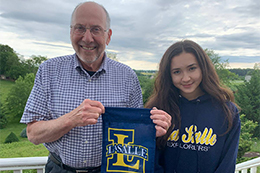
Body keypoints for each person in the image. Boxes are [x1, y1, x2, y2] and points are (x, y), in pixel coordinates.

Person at [20, 1, 171, 173]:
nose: (87, 38)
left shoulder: (128, 77)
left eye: (96, 29)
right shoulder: (48, 71)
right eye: (80, 28)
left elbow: (134, 134)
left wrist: (152, 129)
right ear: (71, 32)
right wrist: (70, 120)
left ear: (108, 36)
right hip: (59, 169)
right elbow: (33, 134)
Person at [146, 40, 241, 173]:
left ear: (203, 68)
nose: (186, 78)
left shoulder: (227, 112)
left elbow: (227, 164)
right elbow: (148, 159)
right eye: (177, 72)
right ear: (169, 75)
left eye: (192, 68)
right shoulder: (158, 110)